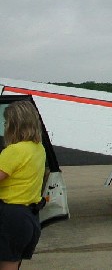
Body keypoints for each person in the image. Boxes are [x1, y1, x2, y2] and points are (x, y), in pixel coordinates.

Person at [0, 100, 46, 269]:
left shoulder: (14, 151)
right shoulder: (38, 148)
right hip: (29, 217)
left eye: (6, 123)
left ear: (14, 125)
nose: (4, 126)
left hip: (10, 216)